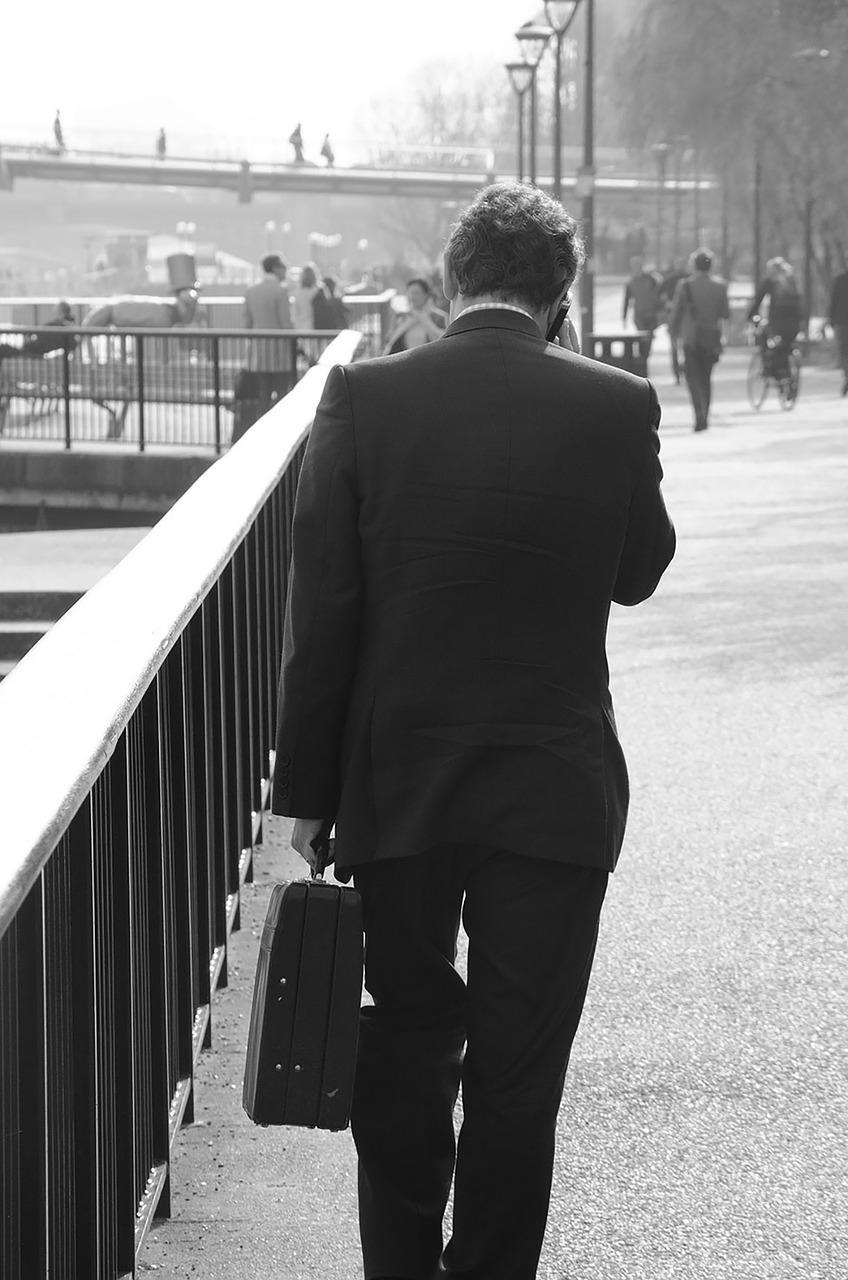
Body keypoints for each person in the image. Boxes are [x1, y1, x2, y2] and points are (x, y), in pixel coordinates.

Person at [271, 180, 676, 1280]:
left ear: (452, 280)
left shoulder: (364, 397)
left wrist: (305, 793)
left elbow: (326, 615)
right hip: (551, 791)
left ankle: (399, 1264)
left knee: (404, 1041)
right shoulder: (616, 403)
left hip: (397, 783)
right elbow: (637, 573)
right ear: (559, 296)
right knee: (519, 1066)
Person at [234, 253, 295, 441]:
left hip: (259, 350)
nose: (286, 270)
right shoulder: (281, 291)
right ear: (275, 268)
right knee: (282, 392)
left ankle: (261, 432)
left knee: (263, 392)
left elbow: (247, 323)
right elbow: (286, 323)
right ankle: (281, 432)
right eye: (283, 266)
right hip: (279, 350)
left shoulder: (251, 291)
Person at [669, 247, 730, 433]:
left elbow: (676, 313)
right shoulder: (720, 286)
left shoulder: (684, 285)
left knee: (692, 378)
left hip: (691, 338)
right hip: (711, 338)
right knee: (706, 378)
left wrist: (673, 333)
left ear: (695, 265)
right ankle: (706, 413)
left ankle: (699, 414)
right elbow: (725, 315)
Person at [747, 257, 803, 380]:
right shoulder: (793, 281)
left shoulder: (769, 282)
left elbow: (758, 301)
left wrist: (750, 316)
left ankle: (768, 367)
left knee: (762, 335)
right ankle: (786, 371)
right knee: (786, 345)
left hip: (776, 323)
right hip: (795, 323)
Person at [381, 277, 448, 354]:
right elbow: (389, 344)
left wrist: (423, 319)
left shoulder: (439, 317)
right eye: (409, 293)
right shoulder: (401, 317)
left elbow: (442, 343)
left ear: (425, 295)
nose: (412, 296)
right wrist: (407, 324)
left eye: (416, 293)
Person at [622, 255, 663, 360]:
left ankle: (645, 357)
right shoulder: (631, 282)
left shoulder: (650, 279)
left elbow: (660, 289)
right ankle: (641, 357)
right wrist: (624, 317)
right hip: (639, 314)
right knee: (641, 336)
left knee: (649, 337)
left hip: (651, 313)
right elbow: (626, 300)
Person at [659, 256, 689, 382]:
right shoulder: (673, 280)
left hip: (680, 318)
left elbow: (657, 294)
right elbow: (658, 294)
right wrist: (666, 302)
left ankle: (681, 371)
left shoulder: (687, 279)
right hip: (675, 317)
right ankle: (679, 372)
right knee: (678, 346)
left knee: (680, 346)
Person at [826, 264, 848, 396]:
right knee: (843, 351)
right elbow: (833, 301)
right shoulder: (840, 279)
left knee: (843, 351)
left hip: (841, 321)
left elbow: (833, 301)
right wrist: (831, 319)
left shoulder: (840, 279)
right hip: (841, 321)